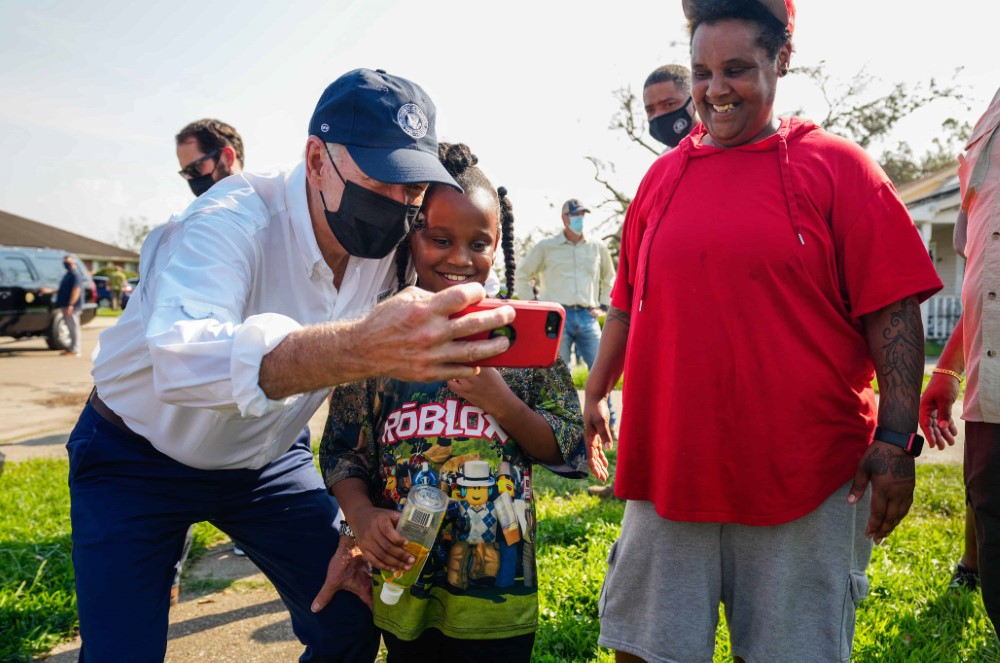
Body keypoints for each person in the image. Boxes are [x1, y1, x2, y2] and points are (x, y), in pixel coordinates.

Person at [68, 68, 514, 662]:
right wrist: (358, 347)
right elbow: (183, 360)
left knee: (349, 615)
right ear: (315, 159)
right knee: (121, 652)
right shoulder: (224, 223)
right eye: (380, 178)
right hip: (135, 459)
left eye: (410, 188)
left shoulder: (388, 249)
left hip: (266, 461)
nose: (396, 204)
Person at [583, 1, 943, 661]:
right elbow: (627, 304)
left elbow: (893, 309)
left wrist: (895, 439)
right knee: (645, 649)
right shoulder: (659, 181)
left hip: (807, 475)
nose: (715, 90)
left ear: (782, 59)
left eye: (736, 69)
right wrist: (594, 393)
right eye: (702, 71)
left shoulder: (841, 170)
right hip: (670, 471)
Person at [320, 142, 587, 662]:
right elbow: (341, 453)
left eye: (478, 243)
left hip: (497, 601)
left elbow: (568, 448)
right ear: (410, 237)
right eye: (440, 238)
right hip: (405, 584)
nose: (460, 258)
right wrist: (362, 514)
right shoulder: (377, 336)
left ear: (498, 243)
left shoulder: (523, 342)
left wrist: (503, 403)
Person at [921, 86, 1000, 633]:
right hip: (990, 393)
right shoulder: (988, 121)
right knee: (991, 509)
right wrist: (947, 371)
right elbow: (980, 269)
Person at [515, 199, 614, 373]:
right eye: (575, 214)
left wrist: (604, 306)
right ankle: (564, 402)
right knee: (558, 373)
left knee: (602, 370)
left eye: (582, 214)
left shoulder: (598, 247)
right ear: (564, 218)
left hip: (588, 315)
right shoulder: (546, 247)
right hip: (556, 316)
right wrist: (534, 305)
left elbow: (609, 277)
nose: (579, 218)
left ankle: (603, 402)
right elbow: (522, 274)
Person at [643, 63, 697, 150]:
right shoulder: (663, 163)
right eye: (650, 110)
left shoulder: (723, 145)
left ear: (695, 101)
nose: (658, 115)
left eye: (668, 104)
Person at [55, 254, 83, 357]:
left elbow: (76, 290)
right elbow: (63, 290)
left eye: (69, 263)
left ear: (74, 263)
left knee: (73, 327)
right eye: (65, 263)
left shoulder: (76, 275)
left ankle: (75, 349)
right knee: (69, 327)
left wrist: (71, 305)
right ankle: (71, 348)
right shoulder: (68, 275)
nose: (67, 265)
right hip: (66, 305)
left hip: (72, 307)